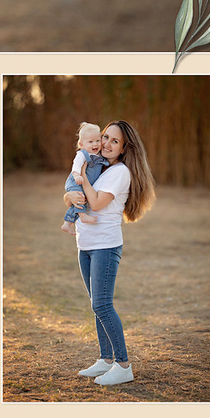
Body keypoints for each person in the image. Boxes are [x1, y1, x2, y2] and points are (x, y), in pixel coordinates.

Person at [68, 118, 157, 387]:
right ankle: (106, 359)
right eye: (105, 136)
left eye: (114, 141)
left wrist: (80, 180)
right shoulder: (99, 166)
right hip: (86, 244)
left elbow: (93, 201)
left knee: (102, 304)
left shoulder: (119, 173)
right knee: (97, 304)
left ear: (124, 148)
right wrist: (69, 195)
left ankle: (123, 365)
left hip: (106, 245)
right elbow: (72, 194)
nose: (105, 143)